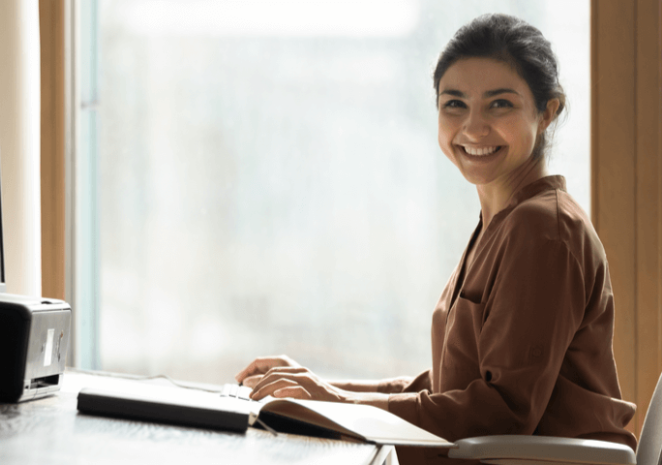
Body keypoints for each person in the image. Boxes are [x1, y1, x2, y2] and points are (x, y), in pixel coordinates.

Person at [235, 13, 637, 464]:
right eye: (455, 104)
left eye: (500, 104)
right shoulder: (503, 222)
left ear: (548, 112)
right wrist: (321, 391)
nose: (474, 128)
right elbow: (451, 388)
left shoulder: (544, 231)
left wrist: (336, 405)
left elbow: (501, 412)